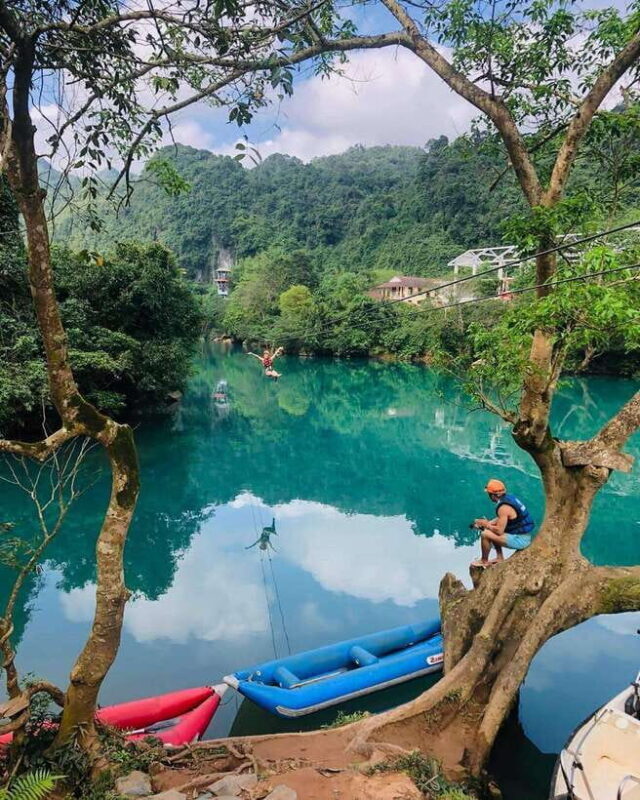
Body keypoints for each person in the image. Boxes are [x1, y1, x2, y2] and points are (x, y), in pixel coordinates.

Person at [471, 479, 535, 567]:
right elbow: (502, 518)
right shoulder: (509, 498)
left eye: (489, 494)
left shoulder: (503, 508)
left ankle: (484, 561)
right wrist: (488, 523)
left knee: (485, 534)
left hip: (521, 540)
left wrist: (486, 525)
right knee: (490, 528)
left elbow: (499, 531)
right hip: (525, 535)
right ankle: (499, 557)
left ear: (493, 495)